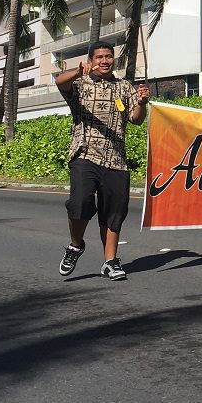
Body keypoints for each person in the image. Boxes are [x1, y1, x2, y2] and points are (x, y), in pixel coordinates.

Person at [55, 42, 151, 281]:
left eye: (109, 56)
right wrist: (78, 71)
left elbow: (136, 120)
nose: (105, 60)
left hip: (116, 160)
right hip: (84, 154)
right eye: (99, 57)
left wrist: (141, 102)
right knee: (79, 202)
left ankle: (110, 261)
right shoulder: (79, 83)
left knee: (114, 213)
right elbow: (59, 82)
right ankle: (75, 245)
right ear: (91, 59)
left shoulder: (124, 87)